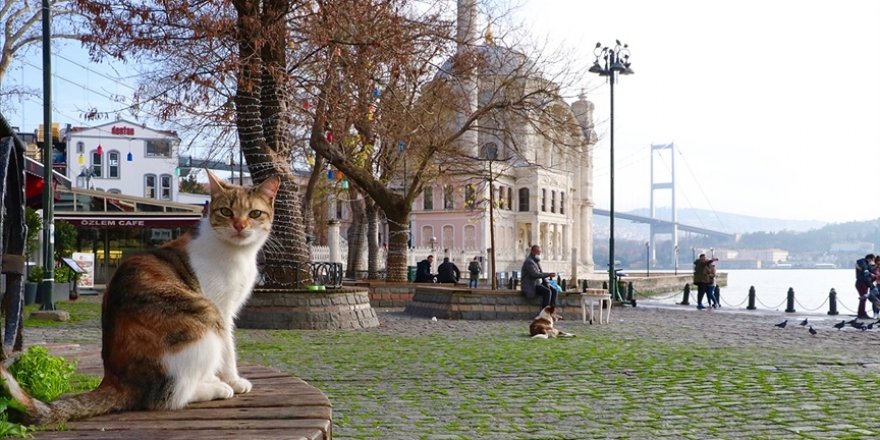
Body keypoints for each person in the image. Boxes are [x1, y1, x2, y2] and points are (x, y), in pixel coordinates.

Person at [521, 245, 557, 310]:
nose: (539, 254)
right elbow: (534, 274)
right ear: (532, 252)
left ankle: (551, 310)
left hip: (537, 283)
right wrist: (548, 274)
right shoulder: (529, 262)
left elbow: (541, 272)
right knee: (547, 292)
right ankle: (544, 312)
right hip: (531, 285)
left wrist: (546, 283)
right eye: (537, 252)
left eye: (539, 252)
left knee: (554, 290)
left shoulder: (535, 261)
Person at [855, 254, 876, 319]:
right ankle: (861, 314)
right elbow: (865, 269)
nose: (872, 261)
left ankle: (861, 313)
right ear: (869, 258)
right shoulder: (862, 262)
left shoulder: (867, 264)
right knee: (863, 298)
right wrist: (869, 273)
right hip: (861, 283)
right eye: (872, 260)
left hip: (864, 283)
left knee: (863, 298)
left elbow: (871, 271)